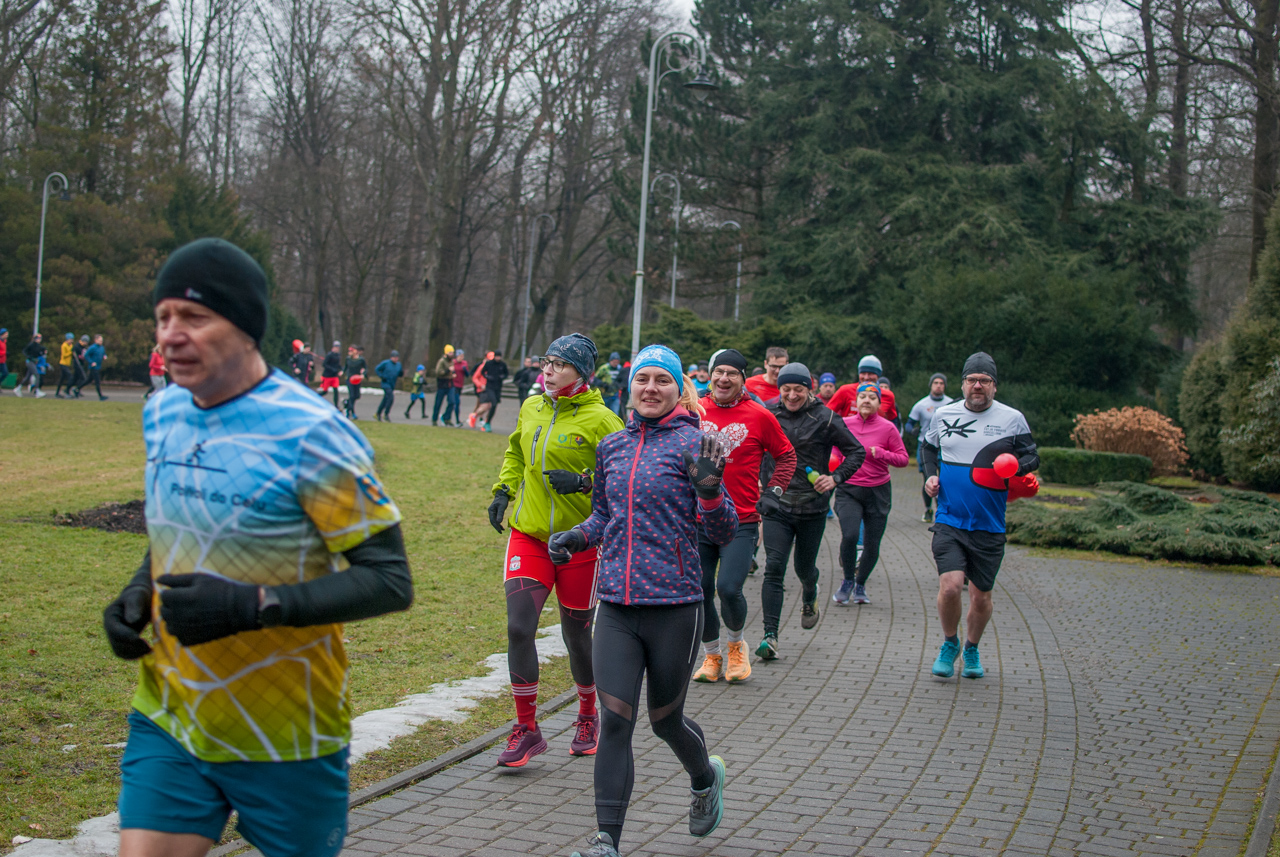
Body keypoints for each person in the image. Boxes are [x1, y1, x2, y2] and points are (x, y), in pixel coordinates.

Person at [101, 237, 413, 857]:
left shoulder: (314, 435)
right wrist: (138, 589)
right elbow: (175, 532)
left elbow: (389, 579)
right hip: (171, 713)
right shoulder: (161, 412)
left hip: (286, 733)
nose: (170, 335)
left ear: (244, 328)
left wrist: (254, 605)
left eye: (193, 317)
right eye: (162, 317)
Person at [547, 344, 735, 857]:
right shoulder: (612, 446)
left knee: (664, 720)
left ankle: (703, 779)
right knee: (616, 720)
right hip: (617, 607)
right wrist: (576, 538)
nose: (651, 388)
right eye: (643, 380)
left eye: (662, 381)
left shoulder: (698, 445)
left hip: (675, 606)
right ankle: (607, 839)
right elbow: (603, 517)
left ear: (679, 389)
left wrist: (712, 491)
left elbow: (723, 529)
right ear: (630, 388)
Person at [487, 333, 624, 768]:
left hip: (580, 543)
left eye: (559, 364)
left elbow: (625, 479)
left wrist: (586, 482)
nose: (547, 371)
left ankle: (587, 716)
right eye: (546, 361)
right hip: (528, 535)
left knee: (576, 637)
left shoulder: (603, 420)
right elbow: (515, 451)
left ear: (581, 373)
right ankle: (527, 728)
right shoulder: (532, 407)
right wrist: (503, 490)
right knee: (518, 628)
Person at [924, 352, 1038, 679]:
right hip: (949, 519)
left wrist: (1013, 467)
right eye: (972, 380)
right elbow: (929, 449)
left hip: (989, 524)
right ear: (962, 384)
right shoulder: (944, 415)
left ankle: (971, 649)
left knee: (981, 596)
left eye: (984, 381)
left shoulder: (1012, 419)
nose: (977, 386)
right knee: (950, 587)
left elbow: (1032, 456)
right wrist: (930, 476)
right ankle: (950, 643)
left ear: (994, 387)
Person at [692, 348, 796, 684]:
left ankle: (736, 647)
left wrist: (774, 492)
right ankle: (711, 656)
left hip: (741, 519)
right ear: (710, 375)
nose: (724, 378)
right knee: (702, 587)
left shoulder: (759, 414)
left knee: (729, 587)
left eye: (731, 373)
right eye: (718, 372)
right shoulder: (693, 410)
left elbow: (786, 456)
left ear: (742, 378)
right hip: (697, 519)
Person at [758, 363, 865, 658]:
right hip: (776, 503)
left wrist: (836, 478)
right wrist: (756, 478)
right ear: (779, 388)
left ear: (810, 389)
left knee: (804, 568)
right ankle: (770, 636)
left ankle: (810, 591)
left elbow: (857, 451)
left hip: (811, 506)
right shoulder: (767, 412)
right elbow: (754, 447)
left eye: (798, 389)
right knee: (774, 568)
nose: (792, 395)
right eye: (786, 389)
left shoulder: (826, 417)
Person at [830, 382, 908, 605]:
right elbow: (833, 448)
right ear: (855, 401)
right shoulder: (844, 424)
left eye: (872, 398)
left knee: (873, 543)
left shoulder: (888, 428)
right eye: (862, 397)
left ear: (879, 403)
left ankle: (861, 583)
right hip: (849, 489)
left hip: (878, 491)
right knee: (851, 535)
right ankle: (847, 581)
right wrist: (836, 463)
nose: (866, 401)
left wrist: (882, 453)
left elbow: (903, 458)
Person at [905, 374, 954, 522]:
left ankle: (943, 510)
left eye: (941, 383)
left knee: (945, 480)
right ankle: (928, 510)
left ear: (944, 386)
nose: (938, 385)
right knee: (929, 479)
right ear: (931, 385)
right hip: (925, 446)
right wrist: (912, 431)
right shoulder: (921, 405)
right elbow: (909, 424)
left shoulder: (952, 404)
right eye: (935, 383)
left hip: (946, 446)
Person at [826, 355, 896, 421]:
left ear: (878, 375)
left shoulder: (888, 396)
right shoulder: (845, 390)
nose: (866, 377)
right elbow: (826, 413)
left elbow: (892, 419)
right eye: (863, 373)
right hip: (848, 433)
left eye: (870, 374)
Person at [473, 350, 509, 431]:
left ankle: (486, 421)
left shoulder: (502, 365)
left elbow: (506, 374)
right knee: (489, 404)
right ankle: (480, 418)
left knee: (493, 405)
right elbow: (480, 373)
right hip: (489, 387)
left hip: (498, 387)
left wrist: (502, 377)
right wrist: (487, 377)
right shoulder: (488, 364)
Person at [374, 350, 403, 421]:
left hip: (392, 384)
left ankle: (378, 413)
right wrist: (381, 376)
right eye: (394, 357)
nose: (396, 359)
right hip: (386, 383)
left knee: (386, 399)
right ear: (391, 357)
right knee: (390, 398)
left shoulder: (398, 365)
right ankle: (386, 414)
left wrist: (401, 373)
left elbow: (399, 373)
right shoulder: (386, 363)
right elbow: (377, 369)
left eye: (397, 358)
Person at [16, 332, 46, 397]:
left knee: (27, 377)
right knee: (37, 375)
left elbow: (39, 353)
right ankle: (37, 391)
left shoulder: (38, 346)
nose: (39, 339)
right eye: (38, 338)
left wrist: (43, 352)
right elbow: (24, 351)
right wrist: (28, 356)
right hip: (30, 362)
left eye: (40, 338)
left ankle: (18, 388)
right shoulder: (31, 344)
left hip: (33, 362)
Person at [432, 346, 456, 424]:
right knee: (438, 403)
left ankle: (447, 417)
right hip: (442, 384)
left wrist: (453, 374)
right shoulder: (441, 361)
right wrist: (448, 370)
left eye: (452, 352)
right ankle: (434, 419)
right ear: (446, 353)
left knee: (452, 402)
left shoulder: (452, 361)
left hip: (450, 384)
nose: (452, 354)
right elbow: (438, 372)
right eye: (450, 352)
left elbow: (452, 371)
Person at [342, 346, 366, 420]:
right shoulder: (348, 359)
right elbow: (345, 367)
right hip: (349, 379)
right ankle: (351, 412)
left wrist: (363, 374)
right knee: (352, 395)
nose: (350, 353)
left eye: (351, 351)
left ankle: (346, 403)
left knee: (356, 396)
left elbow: (365, 368)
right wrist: (342, 371)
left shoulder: (361, 360)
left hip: (357, 379)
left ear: (355, 351)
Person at [82, 334, 107, 400]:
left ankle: (77, 389)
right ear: (96, 340)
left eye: (102, 341)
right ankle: (101, 396)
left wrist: (104, 356)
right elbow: (86, 355)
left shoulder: (102, 347)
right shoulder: (92, 347)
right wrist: (91, 362)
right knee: (97, 381)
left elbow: (103, 353)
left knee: (88, 380)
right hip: (93, 367)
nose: (101, 342)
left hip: (98, 366)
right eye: (100, 341)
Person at [447, 348, 468, 426]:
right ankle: (457, 420)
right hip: (453, 385)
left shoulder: (464, 363)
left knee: (454, 403)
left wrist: (465, 370)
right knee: (456, 402)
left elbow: (467, 374)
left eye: (462, 356)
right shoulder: (453, 363)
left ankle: (446, 416)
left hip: (460, 385)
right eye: (460, 356)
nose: (461, 357)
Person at [320, 341, 343, 406]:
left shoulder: (338, 355)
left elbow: (338, 365)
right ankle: (315, 397)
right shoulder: (329, 355)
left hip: (334, 376)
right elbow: (324, 364)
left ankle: (336, 406)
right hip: (327, 376)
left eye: (338, 347)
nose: (337, 349)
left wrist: (341, 369)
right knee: (325, 391)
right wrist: (333, 369)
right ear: (333, 347)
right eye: (336, 347)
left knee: (336, 391)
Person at [55, 333, 76, 397]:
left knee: (62, 379)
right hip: (63, 364)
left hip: (67, 364)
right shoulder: (64, 345)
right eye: (70, 339)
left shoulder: (71, 345)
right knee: (70, 377)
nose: (72, 340)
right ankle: (67, 391)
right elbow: (64, 355)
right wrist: (71, 352)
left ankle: (57, 393)